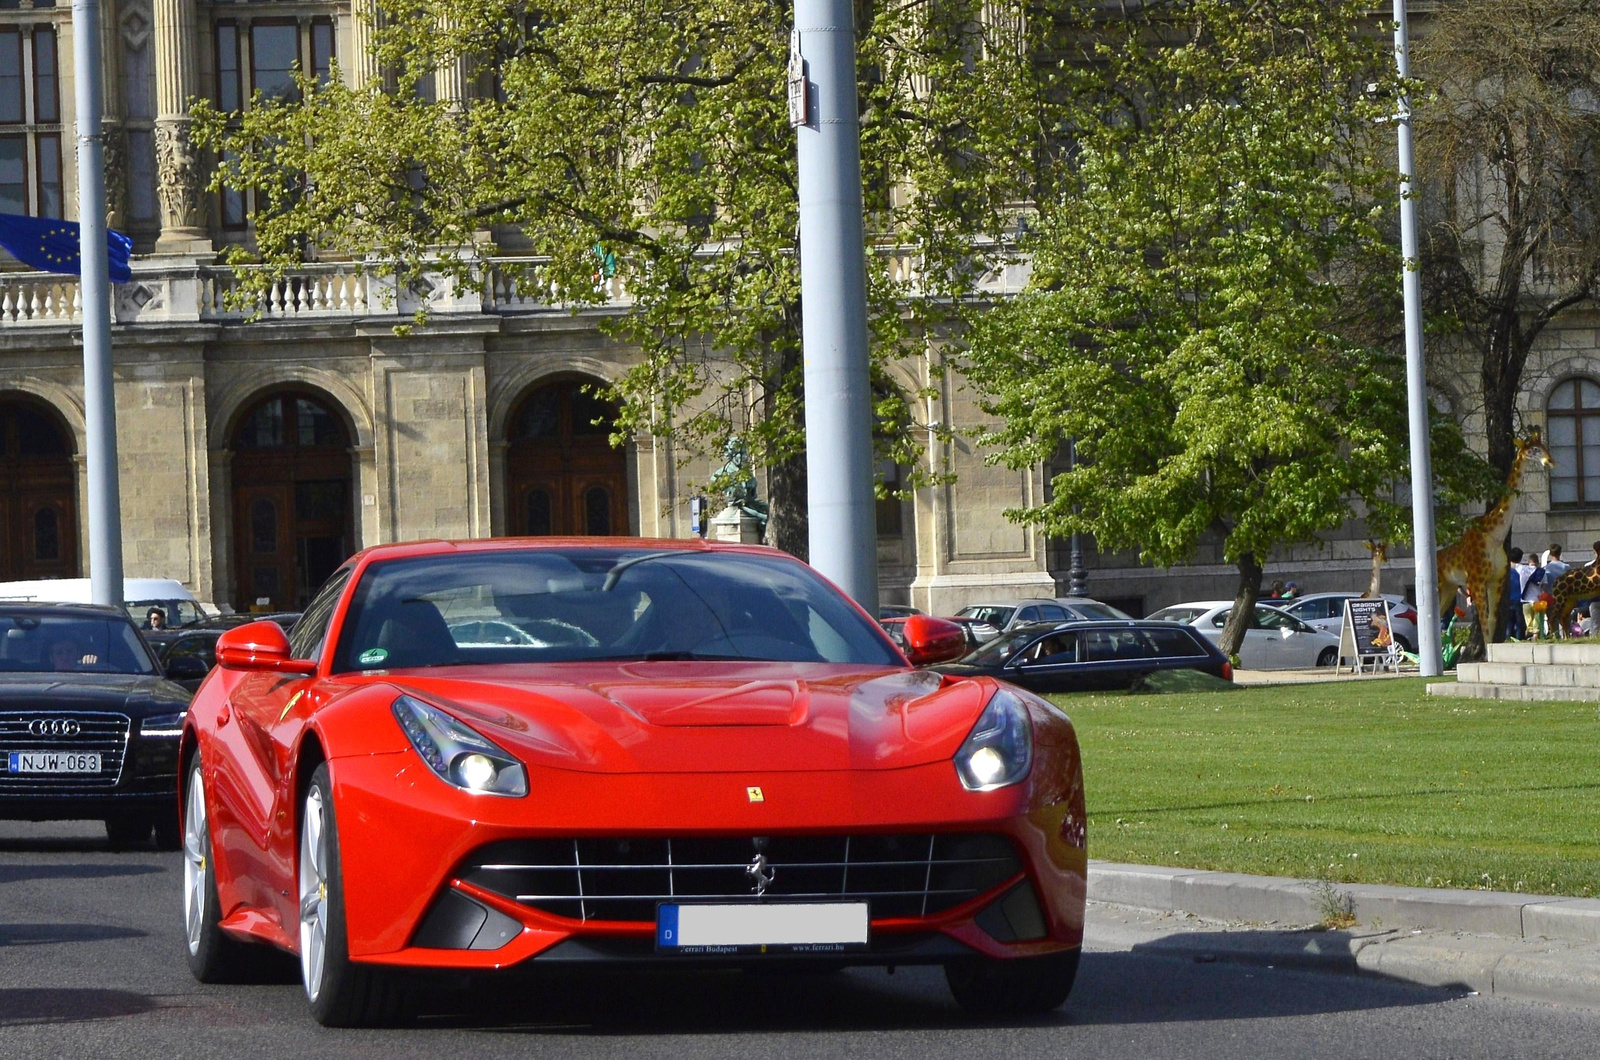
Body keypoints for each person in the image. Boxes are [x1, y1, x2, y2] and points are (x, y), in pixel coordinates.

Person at [1506, 548, 1528, 640]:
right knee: (1520, 625)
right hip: (1519, 600)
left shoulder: (1505, 571)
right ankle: (1519, 641)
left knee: (1508, 624)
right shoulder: (1523, 570)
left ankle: (1507, 640)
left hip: (1507, 600)